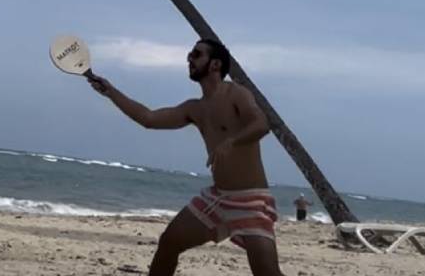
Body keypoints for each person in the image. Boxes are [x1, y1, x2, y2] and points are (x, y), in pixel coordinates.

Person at [86, 39, 286, 276]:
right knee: (169, 243)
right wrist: (111, 92)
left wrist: (231, 142)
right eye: (190, 54)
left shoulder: (236, 93)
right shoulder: (195, 108)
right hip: (217, 199)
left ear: (215, 64)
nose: (189, 58)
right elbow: (149, 119)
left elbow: (262, 123)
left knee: (268, 273)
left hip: (251, 200)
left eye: (197, 54)